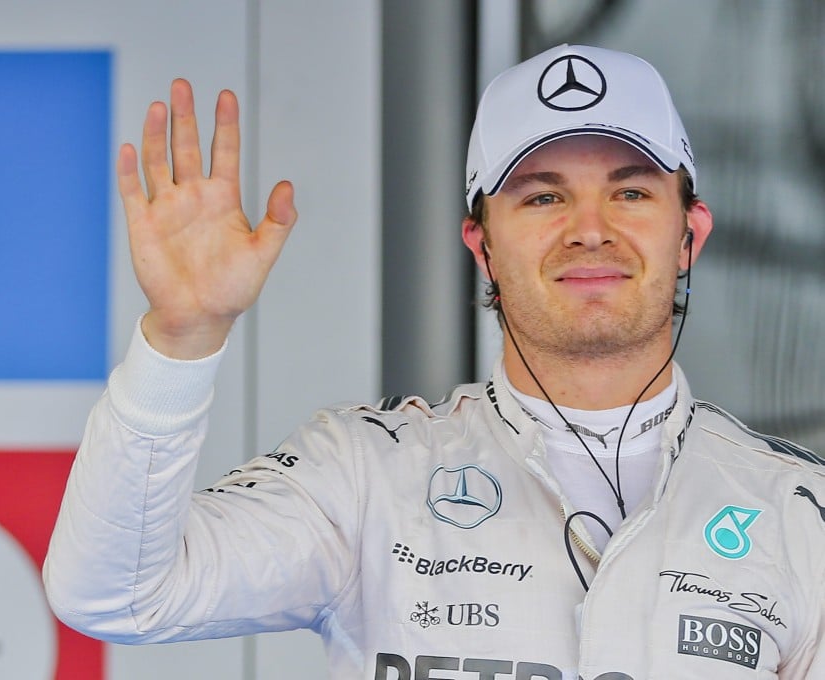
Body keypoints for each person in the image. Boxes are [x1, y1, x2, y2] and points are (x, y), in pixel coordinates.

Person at [43, 44, 825, 679]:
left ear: (691, 232)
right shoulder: (364, 474)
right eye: (543, 197)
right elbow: (116, 596)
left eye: (630, 193)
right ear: (480, 247)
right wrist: (181, 339)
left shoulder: (799, 512)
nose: (590, 229)